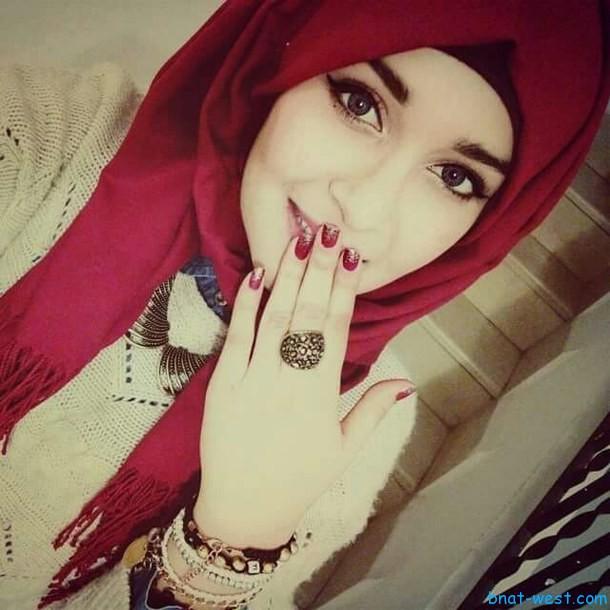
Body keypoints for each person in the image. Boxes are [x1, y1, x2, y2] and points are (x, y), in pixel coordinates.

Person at [0, 1, 608, 609]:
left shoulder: (356, 425)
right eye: (360, 103)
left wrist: (229, 542)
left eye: (455, 177)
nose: (364, 209)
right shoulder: (50, 141)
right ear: (280, 62)